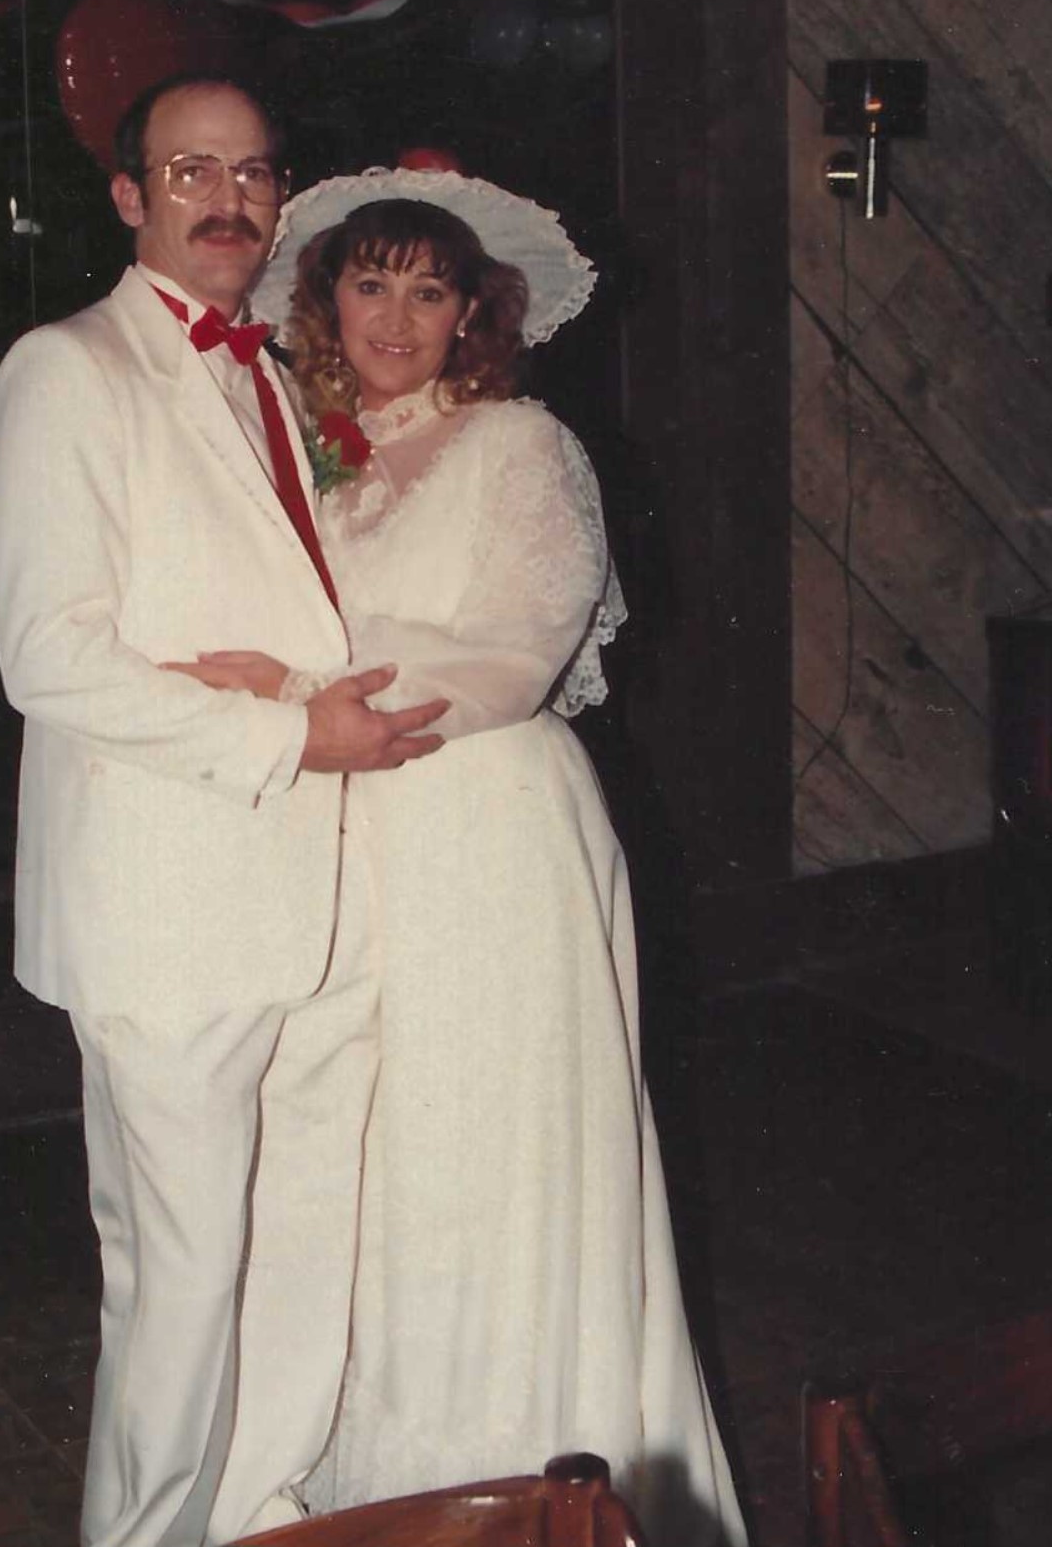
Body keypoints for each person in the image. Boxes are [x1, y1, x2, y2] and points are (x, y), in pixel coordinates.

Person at [207, 168, 749, 1545]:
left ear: (473, 313)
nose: (396, 317)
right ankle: (387, 1490)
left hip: (490, 837)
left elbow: (514, 658)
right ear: (326, 298)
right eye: (370, 282)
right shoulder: (314, 453)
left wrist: (291, 682)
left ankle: (534, 1490)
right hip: (351, 836)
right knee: (375, 1162)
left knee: (492, 1149)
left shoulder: (520, 445)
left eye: (428, 288)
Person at [0, 79, 448, 1547]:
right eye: (191, 171)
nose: (227, 199)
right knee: (176, 1285)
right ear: (129, 195)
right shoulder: (65, 370)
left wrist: (305, 695)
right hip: (165, 902)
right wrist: (292, 729)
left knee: (292, 1250)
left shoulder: (275, 374)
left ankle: (254, 1518)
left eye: (251, 172)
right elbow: (49, 660)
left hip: (302, 892)